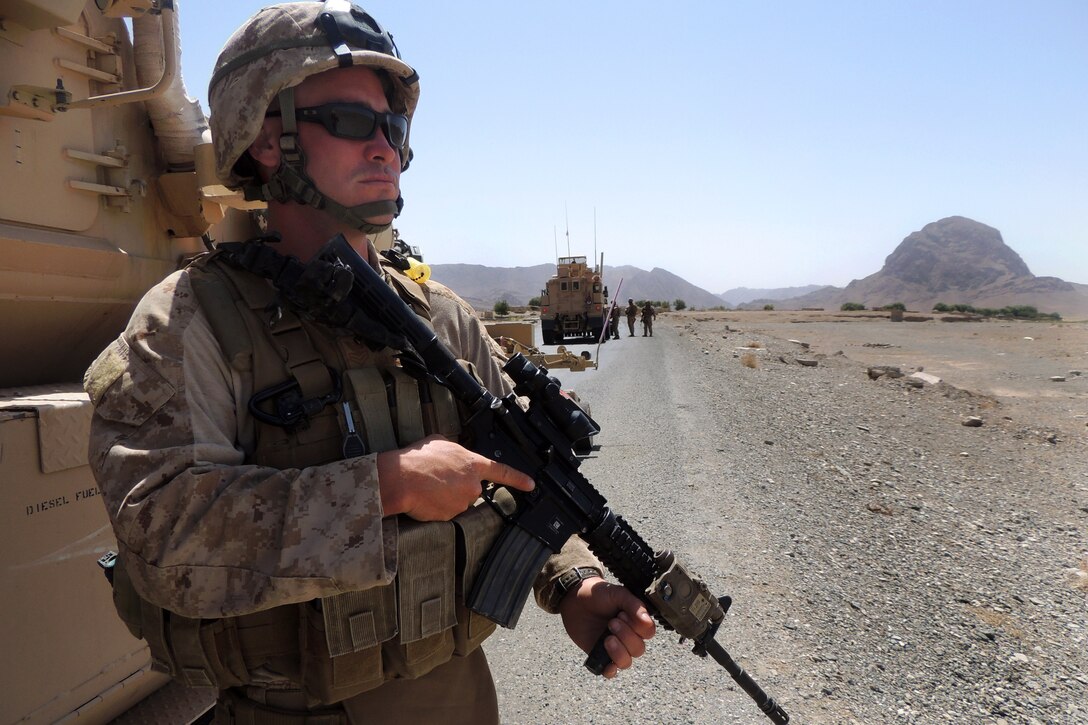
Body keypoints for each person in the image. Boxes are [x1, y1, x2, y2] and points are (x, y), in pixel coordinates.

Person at [82, 3, 654, 723]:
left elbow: (519, 479)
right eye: (354, 122)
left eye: (395, 128)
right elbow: (161, 535)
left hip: (459, 697)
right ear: (268, 140)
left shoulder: (441, 316)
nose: (386, 148)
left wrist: (573, 584)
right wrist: (386, 485)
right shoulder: (190, 321)